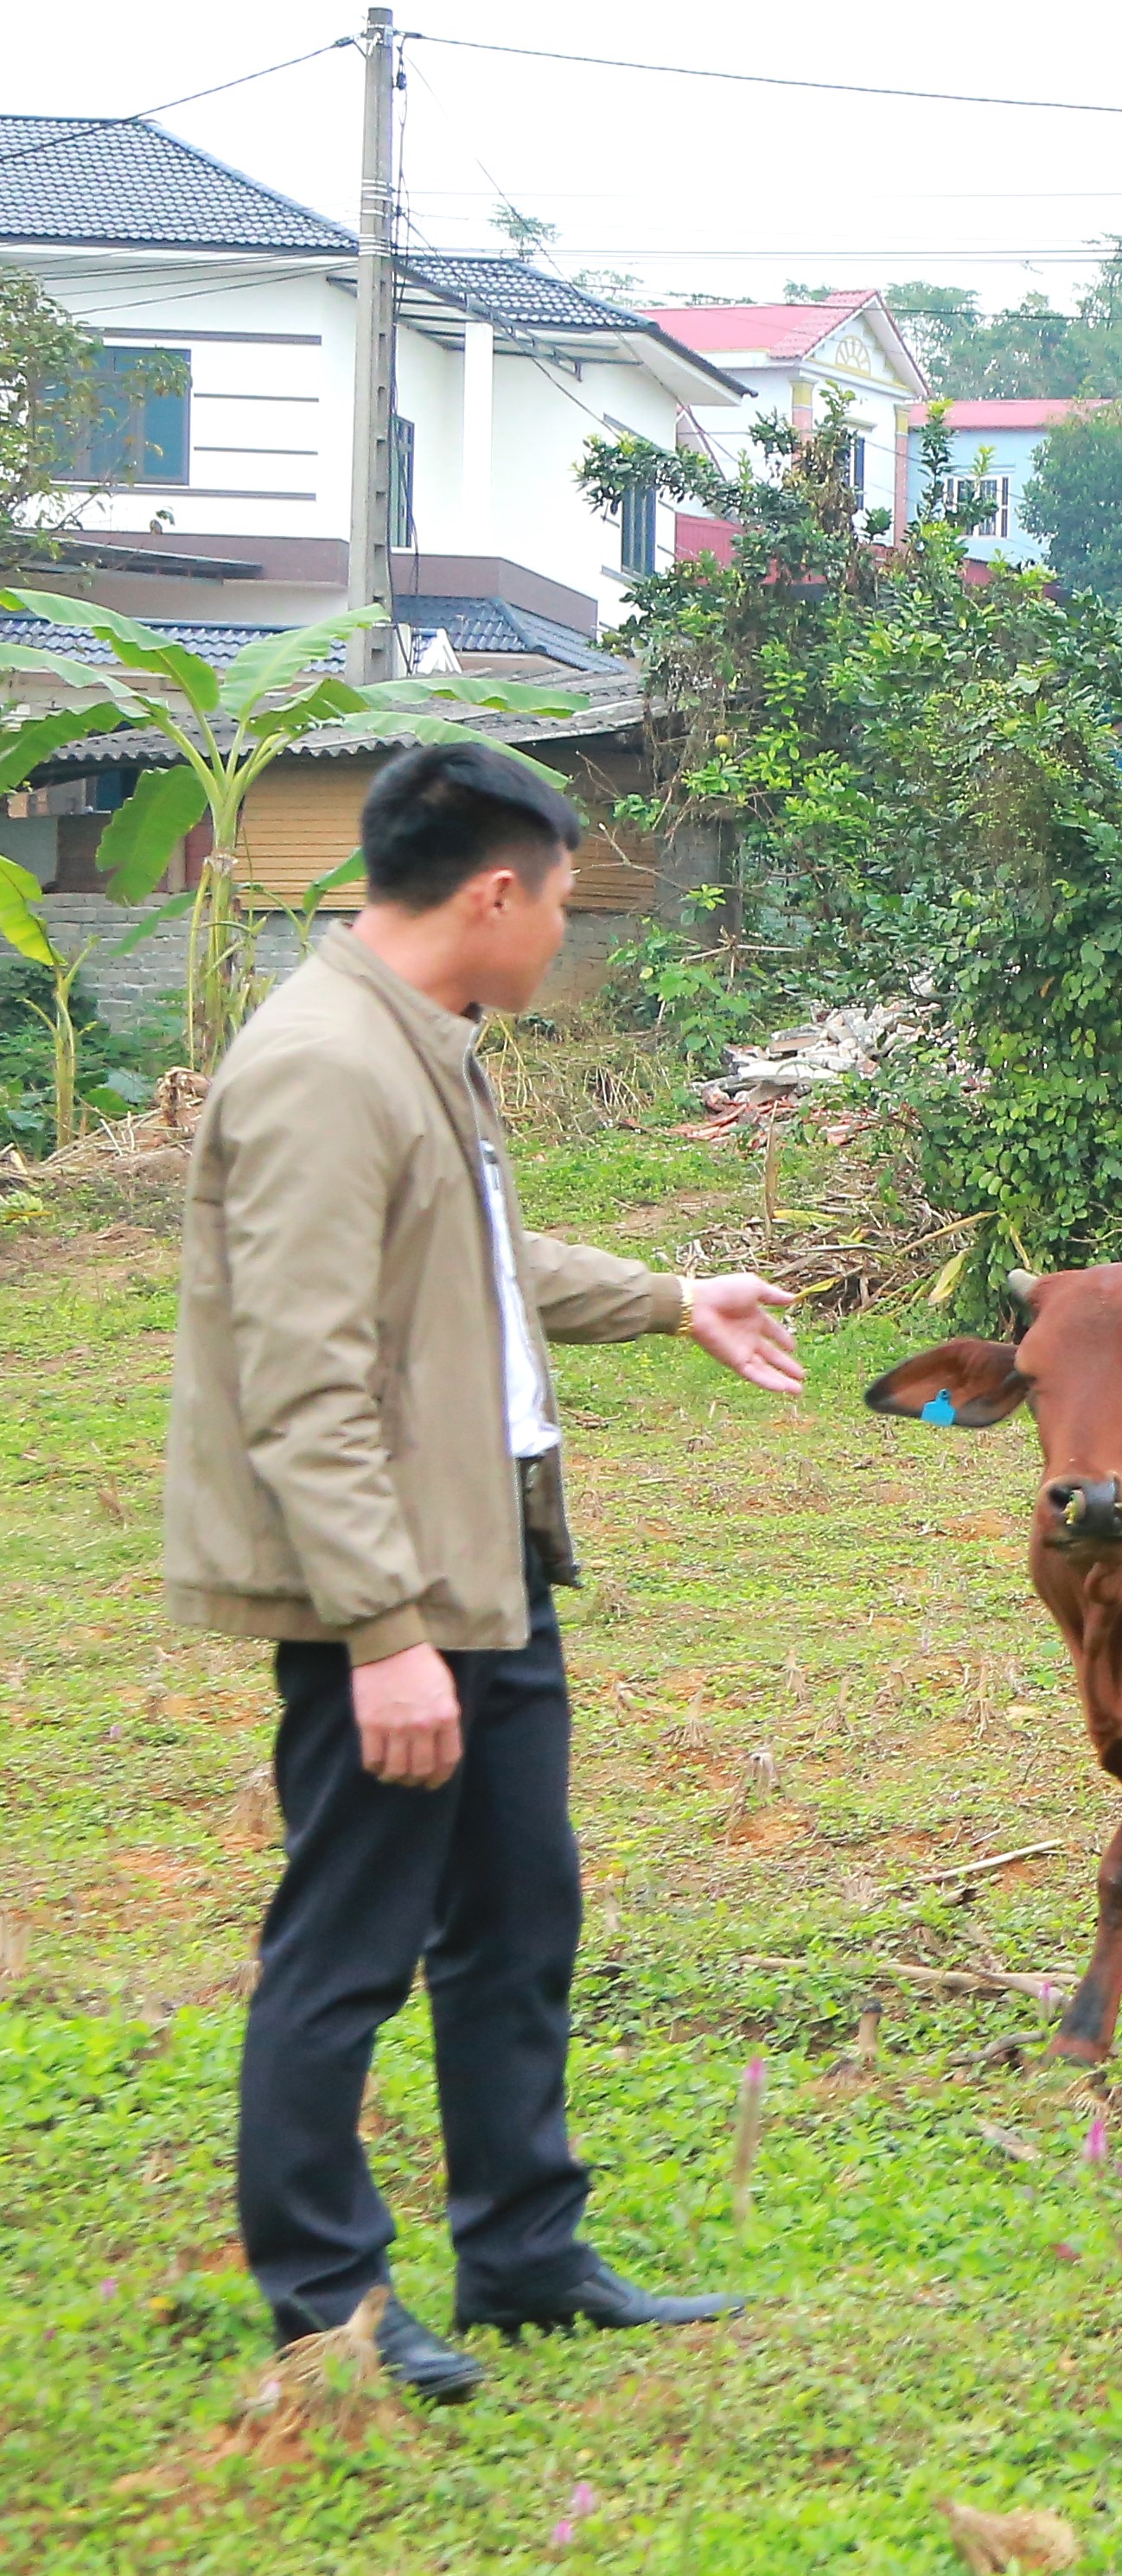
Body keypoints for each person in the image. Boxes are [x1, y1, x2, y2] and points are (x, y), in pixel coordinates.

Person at [164, 743, 806, 2405]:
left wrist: (672, 1297)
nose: (566, 938)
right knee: (351, 1939)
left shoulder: (422, 1047)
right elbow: (300, 1378)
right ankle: (331, 2308)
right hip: (387, 1593)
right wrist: (380, 1635)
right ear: (496, 891)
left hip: (489, 1558)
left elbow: (475, 1259)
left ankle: (523, 2249)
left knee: (519, 1911)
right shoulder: (321, 1063)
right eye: (567, 904)